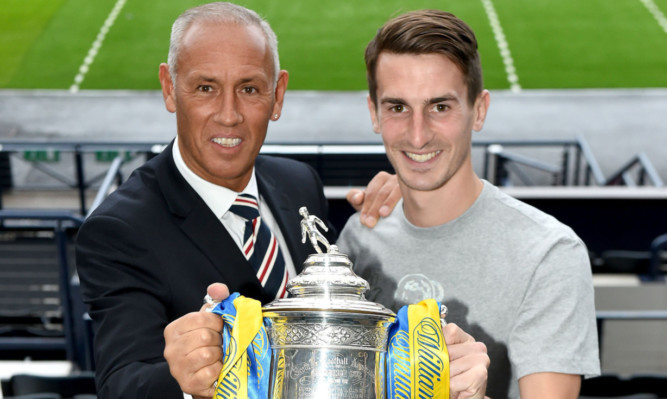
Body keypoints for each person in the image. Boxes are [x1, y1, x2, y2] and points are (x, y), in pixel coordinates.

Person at [75, 3, 400, 398]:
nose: (228, 115)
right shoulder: (119, 231)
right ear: (169, 87)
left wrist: (407, 205)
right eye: (205, 88)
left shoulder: (299, 183)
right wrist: (182, 382)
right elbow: (121, 384)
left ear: (277, 95)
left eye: (249, 89)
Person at [336, 9, 600, 399]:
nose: (418, 134)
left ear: (479, 110)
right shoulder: (359, 237)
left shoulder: (549, 253)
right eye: (398, 107)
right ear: (374, 113)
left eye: (440, 107)